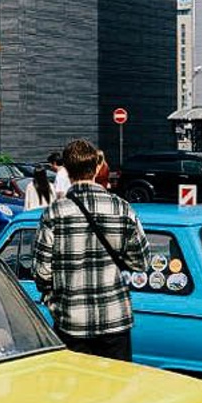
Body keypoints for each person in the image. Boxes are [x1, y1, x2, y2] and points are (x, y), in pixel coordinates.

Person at [32, 137, 148, 360]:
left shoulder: (54, 212)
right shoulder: (122, 208)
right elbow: (141, 261)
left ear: (66, 169)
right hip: (115, 319)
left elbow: (42, 271)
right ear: (96, 167)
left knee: (80, 391)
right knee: (116, 389)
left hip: (72, 321)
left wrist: (52, 299)